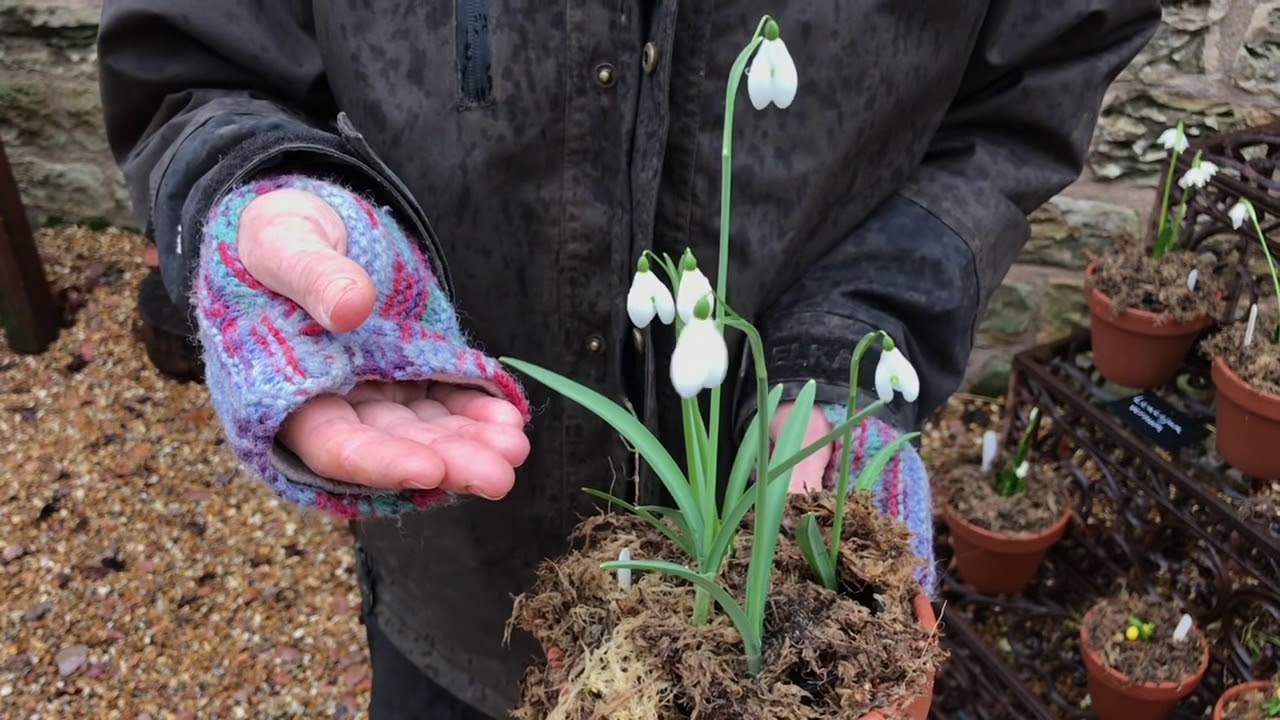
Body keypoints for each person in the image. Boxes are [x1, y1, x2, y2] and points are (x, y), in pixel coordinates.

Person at [96, 2, 1161, 717]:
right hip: (466, 560)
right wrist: (251, 184)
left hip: (785, 540)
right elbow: (200, 53)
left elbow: (1035, 76)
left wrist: (849, 342)